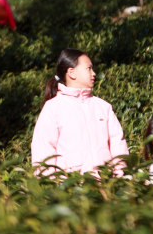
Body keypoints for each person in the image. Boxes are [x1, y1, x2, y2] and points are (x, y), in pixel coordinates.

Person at [31, 48, 128, 177]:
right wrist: (50, 186)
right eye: (89, 68)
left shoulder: (103, 107)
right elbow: (43, 150)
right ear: (72, 73)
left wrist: (121, 177)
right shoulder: (53, 108)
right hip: (70, 188)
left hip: (106, 185)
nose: (94, 73)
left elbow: (118, 146)